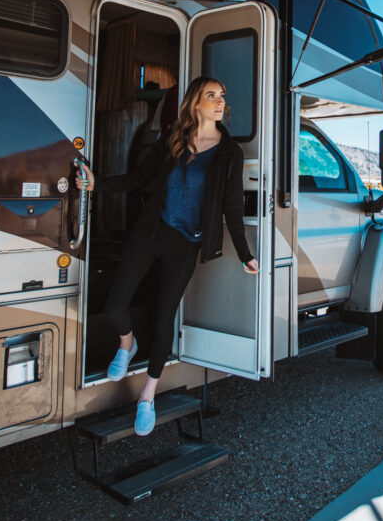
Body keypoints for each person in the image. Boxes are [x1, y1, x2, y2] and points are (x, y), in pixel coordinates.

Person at [76, 76, 258, 436]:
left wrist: (244, 254)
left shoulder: (229, 153)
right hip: (151, 232)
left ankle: (147, 396)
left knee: (163, 321)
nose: (220, 102)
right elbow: (139, 179)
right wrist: (99, 185)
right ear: (195, 102)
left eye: (222, 96)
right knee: (115, 307)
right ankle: (127, 344)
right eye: (212, 96)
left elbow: (232, 209)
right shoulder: (172, 139)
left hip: (185, 242)